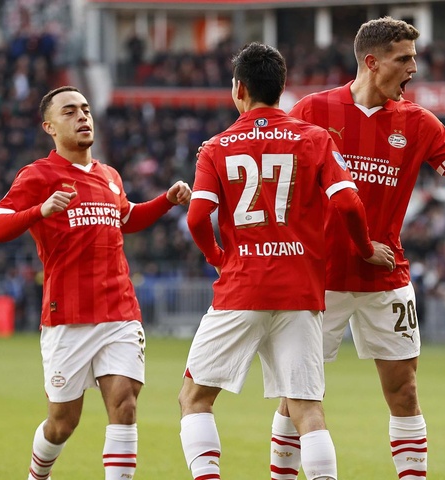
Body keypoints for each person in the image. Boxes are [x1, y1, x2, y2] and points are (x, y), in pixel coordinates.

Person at [273, 17, 445, 480]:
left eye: (415, 56)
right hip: (322, 279)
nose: (415, 67)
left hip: (385, 277)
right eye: (405, 58)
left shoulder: (418, 123)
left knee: (404, 391)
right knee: (297, 394)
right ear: (372, 63)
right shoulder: (313, 112)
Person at [179, 42, 395, 480]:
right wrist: (365, 247)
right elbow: (350, 205)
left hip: (241, 287)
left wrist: (218, 257)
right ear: (282, 89)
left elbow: (198, 215)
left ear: (238, 89)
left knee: (194, 398)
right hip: (301, 292)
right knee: (306, 408)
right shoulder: (314, 138)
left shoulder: (217, 147)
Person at [0, 85, 192, 480]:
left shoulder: (109, 176)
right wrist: (39, 209)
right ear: (49, 126)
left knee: (125, 405)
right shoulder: (37, 175)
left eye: (85, 109)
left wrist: (165, 200)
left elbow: (127, 218)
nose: (82, 116)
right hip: (68, 317)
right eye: (69, 112)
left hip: (119, 312)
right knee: (63, 423)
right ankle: (37, 475)